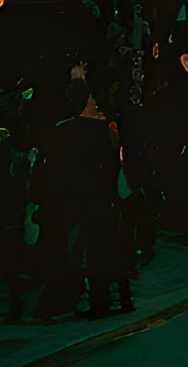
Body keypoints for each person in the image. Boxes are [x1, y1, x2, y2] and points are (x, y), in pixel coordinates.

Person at [35, 81, 135, 317]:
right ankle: (113, 296)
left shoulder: (64, 130)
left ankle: (93, 297)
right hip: (100, 195)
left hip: (78, 196)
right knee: (105, 245)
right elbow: (114, 162)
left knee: (89, 246)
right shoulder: (102, 129)